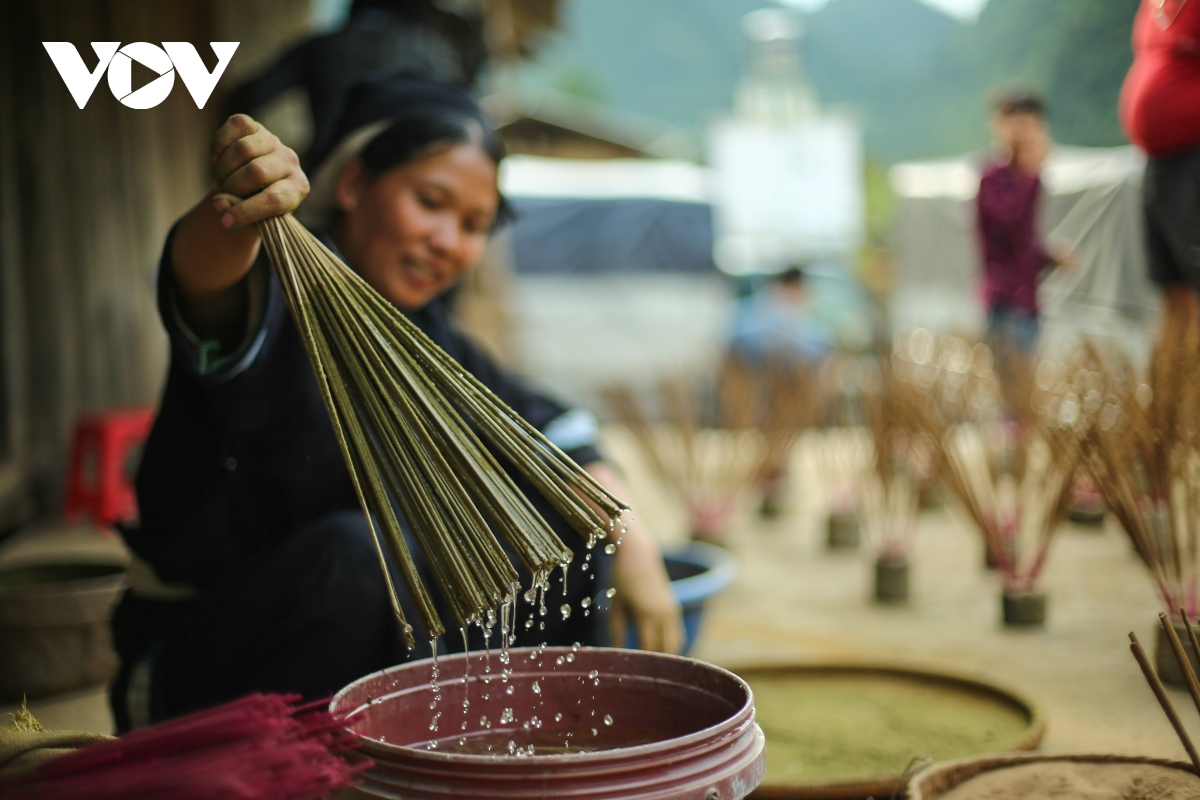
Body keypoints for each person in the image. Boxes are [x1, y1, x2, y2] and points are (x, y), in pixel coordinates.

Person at [110, 73, 683, 732]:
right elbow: (201, 283)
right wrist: (239, 209)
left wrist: (627, 532)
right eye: (430, 202)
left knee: (566, 534)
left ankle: (559, 743)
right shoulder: (274, 289)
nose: (449, 240)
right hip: (200, 664)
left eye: (474, 225)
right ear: (353, 185)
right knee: (364, 556)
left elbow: (549, 428)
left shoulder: (429, 335)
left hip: (354, 648)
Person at [1121, 0, 1200, 346]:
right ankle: (1170, 393)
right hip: (1156, 165)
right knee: (1171, 288)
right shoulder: (1152, 5)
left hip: (1193, 158)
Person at [975, 89, 1070, 357]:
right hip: (1003, 302)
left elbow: (1022, 240)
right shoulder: (992, 178)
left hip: (1028, 301)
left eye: (1030, 125)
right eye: (1016, 124)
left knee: (1024, 387)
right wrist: (1030, 173)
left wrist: (1050, 257)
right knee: (1012, 389)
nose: (1024, 134)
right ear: (999, 127)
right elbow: (1005, 224)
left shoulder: (1031, 178)